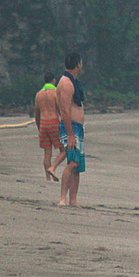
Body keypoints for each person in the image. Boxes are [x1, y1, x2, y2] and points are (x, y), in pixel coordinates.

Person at [57, 52, 86, 207]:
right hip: (71, 128)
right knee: (73, 162)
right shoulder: (66, 83)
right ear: (78, 64)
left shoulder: (72, 81)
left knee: (78, 165)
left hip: (77, 128)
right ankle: (63, 198)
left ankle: (73, 200)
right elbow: (65, 110)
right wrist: (70, 135)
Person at [33, 73, 66, 182]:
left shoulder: (38, 95)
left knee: (47, 153)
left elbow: (36, 114)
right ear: (53, 80)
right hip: (54, 122)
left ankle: (48, 179)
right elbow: (61, 110)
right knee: (64, 150)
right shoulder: (56, 93)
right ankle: (53, 168)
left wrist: (39, 127)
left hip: (43, 124)